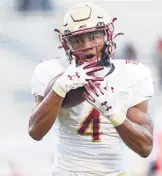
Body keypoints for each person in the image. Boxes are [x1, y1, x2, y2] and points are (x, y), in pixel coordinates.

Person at [29, 3, 154, 176]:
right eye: (77, 40)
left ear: (107, 35)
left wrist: (114, 114)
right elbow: (35, 132)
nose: (87, 46)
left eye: (94, 36)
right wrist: (60, 87)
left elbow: (145, 147)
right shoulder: (51, 71)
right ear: (66, 44)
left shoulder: (132, 74)